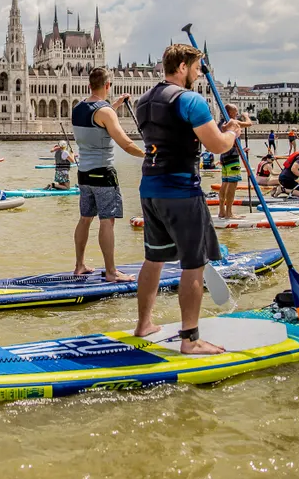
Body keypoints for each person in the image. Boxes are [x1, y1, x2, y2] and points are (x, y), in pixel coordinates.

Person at [134, 43, 244, 355]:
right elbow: (218, 146)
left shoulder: (144, 101)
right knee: (194, 265)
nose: (198, 73)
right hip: (181, 190)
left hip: (150, 188)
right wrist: (232, 131)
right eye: (196, 67)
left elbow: (172, 135)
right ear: (182, 66)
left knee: (154, 259)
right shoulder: (190, 100)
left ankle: (144, 324)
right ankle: (191, 339)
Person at [72, 66, 146, 283]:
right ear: (108, 86)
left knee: (85, 219)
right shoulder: (105, 113)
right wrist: (149, 155)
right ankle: (112, 272)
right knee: (107, 221)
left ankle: (79, 265)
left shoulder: (78, 108)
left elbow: (96, 119)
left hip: (84, 174)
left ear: (88, 85)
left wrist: (116, 105)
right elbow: (126, 144)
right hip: (103, 173)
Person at [217, 103, 254, 219]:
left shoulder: (220, 123)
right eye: (236, 111)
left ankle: (222, 211)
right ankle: (229, 213)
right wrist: (246, 115)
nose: (237, 113)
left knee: (225, 183)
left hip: (224, 155)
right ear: (229, 113)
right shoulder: (232, 122)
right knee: (233, 183)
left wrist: (241, 150)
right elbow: (249, 124)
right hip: (232, 157)